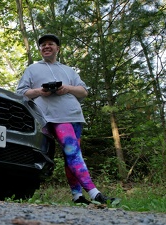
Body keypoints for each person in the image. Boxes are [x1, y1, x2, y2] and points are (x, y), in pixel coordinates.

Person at [16, 34, 118, 205]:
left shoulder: (69, 70)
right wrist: (41, 91)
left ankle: (77, 196)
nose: (46, 47)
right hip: (52, 117)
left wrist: (67, 88)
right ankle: (95, 193)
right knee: (73, 152)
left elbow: (84, 92)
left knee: (70, 154)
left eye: (50, 44)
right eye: (43, 45)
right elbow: (21, 93)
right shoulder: (32, 69)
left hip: (74, 115)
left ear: (57, 48)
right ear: (40, 50)